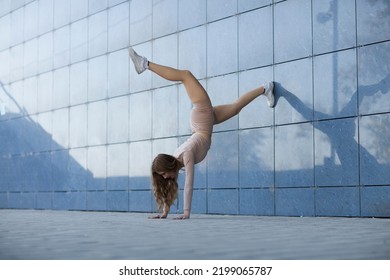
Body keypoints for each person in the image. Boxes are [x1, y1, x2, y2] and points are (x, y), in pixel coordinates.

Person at [128, 47, 274, 219]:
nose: (166, 177)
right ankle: (265, 88)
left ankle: (145, 64)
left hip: (202, 117)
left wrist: (186, 213)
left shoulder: (186, 155)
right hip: (203, 123)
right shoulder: (177, 163)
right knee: (235, 108)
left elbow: (189, 184)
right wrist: (164, 212)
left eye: (163, 173)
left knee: (185, 76)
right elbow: (171, 186)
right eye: (162, 176)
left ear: (168, 166)